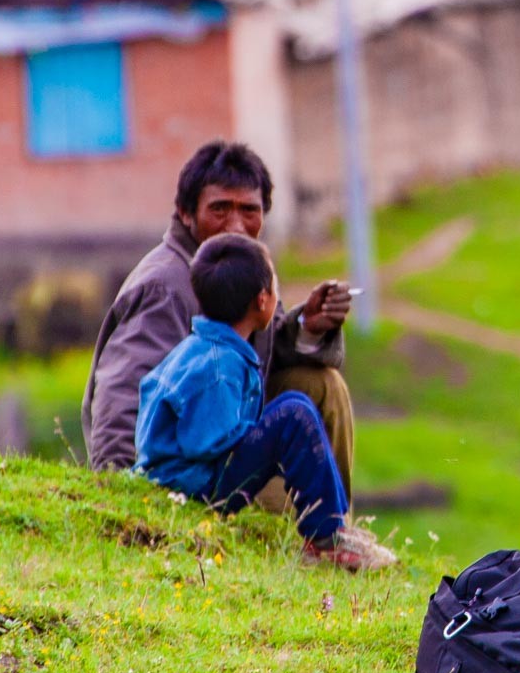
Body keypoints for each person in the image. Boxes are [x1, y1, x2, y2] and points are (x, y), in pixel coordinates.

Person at [82, 141, 360, 515]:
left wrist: (308, 324)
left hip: (226, 433)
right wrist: (121, 498)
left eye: (249, 210)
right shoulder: (165, 287)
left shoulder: (238, 267)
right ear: (185, 213)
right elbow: (121, 396)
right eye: (219, 209)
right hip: (187, 471)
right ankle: (306, 534)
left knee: (322, 386)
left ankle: (336, 526)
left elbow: (258, 349)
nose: (235, 225)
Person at [136, 233, 393, 569]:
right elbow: (206, 443)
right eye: (276, 287)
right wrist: (267, 445)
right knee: (294, 414)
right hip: (196, 486)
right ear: (262, 300)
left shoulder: (201, 349)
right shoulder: (220, 367)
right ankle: (326, 538)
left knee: (289, 416)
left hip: (188, 475)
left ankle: (335, 525)